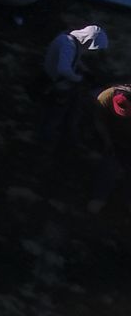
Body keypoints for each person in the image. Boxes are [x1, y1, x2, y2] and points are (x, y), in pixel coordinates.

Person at [41, 25, 108, 146]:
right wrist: (79, 79)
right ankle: (48, 137)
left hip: (61, 78)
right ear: (88, 41)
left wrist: (86, 71)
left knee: (74, 105)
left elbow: (75, 58)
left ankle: (68, 127)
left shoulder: (73, 40)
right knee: (57, 111)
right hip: (57, 82)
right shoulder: (68, 46)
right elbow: (64, 69)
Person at [88, 84, 131, 213]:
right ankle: (99, 198)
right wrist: (107, 141)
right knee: (108, 167)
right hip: (113, 138)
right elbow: (99, 120)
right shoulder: (106, 97)